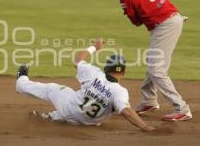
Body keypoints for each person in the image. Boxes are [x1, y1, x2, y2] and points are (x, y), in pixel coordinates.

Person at [101, 0, 192, 121]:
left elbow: (136, 22)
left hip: (165, 25)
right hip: (170, 20)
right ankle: (148, 101)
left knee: (157, 69)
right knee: (152, 62)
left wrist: (150, 4)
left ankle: (181, 108)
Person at [16, 39, 155, 132]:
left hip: (69, 110)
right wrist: (145, 127)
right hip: (89, 123)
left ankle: (21, 82)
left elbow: (77, 59)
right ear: (123, 73)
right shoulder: (120, 92)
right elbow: (126, 112)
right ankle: (48, 117)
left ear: (106, 68)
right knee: (89, 110)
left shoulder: (93, 73)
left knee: (51, 89)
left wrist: (95, 46)